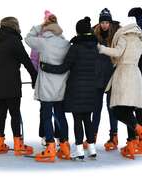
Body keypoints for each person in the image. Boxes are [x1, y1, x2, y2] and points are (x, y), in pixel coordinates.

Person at [41, 17, 99, 160]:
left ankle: (79, 150)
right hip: (91, 88)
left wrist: (45, 66)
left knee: (78, 119)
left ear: (78, 31)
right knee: (88, 118)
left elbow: (63, 68)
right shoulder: (95, 48)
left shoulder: (75, 48)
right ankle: (92, 149)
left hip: (76, 88)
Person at [97, 17, 142, 159]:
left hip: (124, 74)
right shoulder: (137, 40)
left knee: (117, 111)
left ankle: (141, 132)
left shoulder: (124, 37)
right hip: (135, 74)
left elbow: (117, 53)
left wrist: (101, 48)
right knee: (129, 110)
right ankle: (132, 143)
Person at [25, 13, 70, 162]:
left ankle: (50, 146)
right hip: (60, 87)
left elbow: (28, 38)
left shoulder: (43, 42)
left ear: (47, 28)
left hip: (46, 87)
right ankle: (64, 146)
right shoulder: (65, 43)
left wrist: (40, 26)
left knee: (46, 116)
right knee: (60, 116)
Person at [0, 16, 37, 156]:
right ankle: (18, 145)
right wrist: (34, 76)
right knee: (15, 114)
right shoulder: (14, 41)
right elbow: (26, 60)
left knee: (1, 113)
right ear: (14, 26)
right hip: (11, 83)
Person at [84, 8, 120, 151]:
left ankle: (113, 136)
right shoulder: (93, 34)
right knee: (96, 108)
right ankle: (92, 136)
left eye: (107, 22)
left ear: (110, 23)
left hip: (112, 76)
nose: (105, 25)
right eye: (102, 22)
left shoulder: (118, 35)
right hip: (97, 77)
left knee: (112, 108)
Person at [123, 7, 142, 154]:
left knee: (131, 108)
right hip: (141, 75)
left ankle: (135, 142)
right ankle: (138, 141)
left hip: (135, 76)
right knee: (137, 107)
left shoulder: (139, 35)